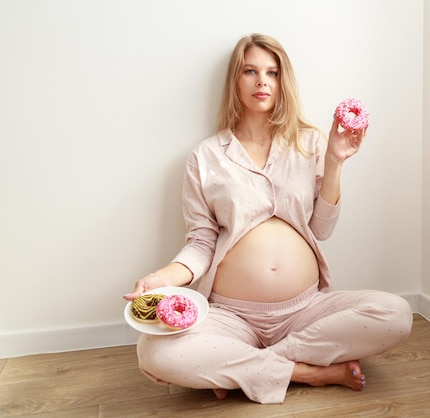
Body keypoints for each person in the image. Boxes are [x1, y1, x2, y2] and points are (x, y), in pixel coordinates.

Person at [124, 33, 413, 404]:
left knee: (396, 314)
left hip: (305, 310)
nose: (262, 80)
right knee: (154, 353)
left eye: (272, 72)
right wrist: (161, 278)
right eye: (250, 71)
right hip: (231, 315)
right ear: (236, 80)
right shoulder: (206, 156)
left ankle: (249, 369)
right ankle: (308, 372)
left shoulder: (309, 142)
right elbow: (201, 243)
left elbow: (322, 229)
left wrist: (335, 162)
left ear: (282, 81)